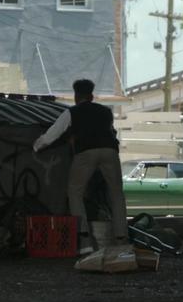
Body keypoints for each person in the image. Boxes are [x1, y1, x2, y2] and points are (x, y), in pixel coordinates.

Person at [33, 78, 128, 254]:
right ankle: (122, 240)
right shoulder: (106, 112)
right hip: (110, 151)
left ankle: (85, 241)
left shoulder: (72, 112)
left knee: (75, 192)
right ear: (91, 96)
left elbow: (52, 134)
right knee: (116, 193)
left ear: (77, 96)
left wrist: (36, 146)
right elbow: (110, 131)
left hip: (86, 152)